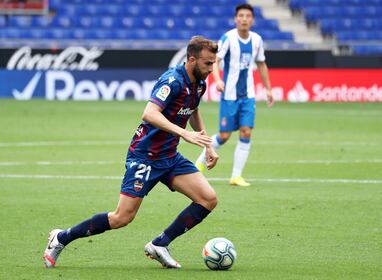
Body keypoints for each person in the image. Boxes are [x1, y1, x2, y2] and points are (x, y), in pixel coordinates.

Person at [43, 36, 219, 269]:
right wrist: (185, 134)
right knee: (121, 218)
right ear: (192, 59)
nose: (211, 69)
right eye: (207, 63)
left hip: (169, 156)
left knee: (208, 199)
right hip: (144, 156)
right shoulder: (173, 81)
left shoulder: (199, 82)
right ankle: (61, 238)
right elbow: (149, 113)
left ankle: (160, 244)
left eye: (213, 63)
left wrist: (207, 144)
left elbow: (192, 108)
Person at [195, 3, 274, 187]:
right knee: (224, 135)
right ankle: (199, 164)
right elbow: (216, 60)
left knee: (246, 131)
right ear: (235, 19)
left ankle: (236, 176)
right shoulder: (228, 38)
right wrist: (217, 79)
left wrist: (268, 89)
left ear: (252, 20)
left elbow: (261, 64)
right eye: (241, 16)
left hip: (248, 95)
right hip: (229, 95)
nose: (244, 19)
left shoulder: (257, 40)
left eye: (248, 16)